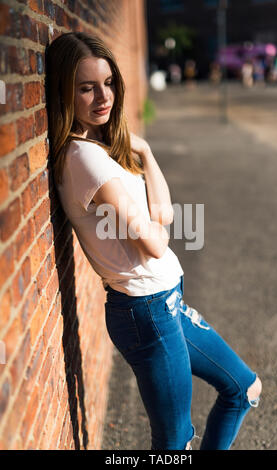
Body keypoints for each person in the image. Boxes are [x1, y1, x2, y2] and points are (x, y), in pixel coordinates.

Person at [45, 32, 262, 450]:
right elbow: (155, 243)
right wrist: (155, 227)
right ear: (64, 93)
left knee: (243, 388)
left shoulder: (101, 148)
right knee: (174, 441)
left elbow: (163, 218)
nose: (102, 97)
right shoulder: (85, 158)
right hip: (145, 312)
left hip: (166, 302)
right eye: (86, 88)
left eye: (107, 83)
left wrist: (144, 151)